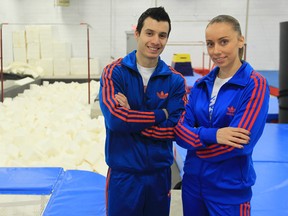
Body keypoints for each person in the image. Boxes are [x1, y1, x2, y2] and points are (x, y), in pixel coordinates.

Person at [174, 14, 270, 216]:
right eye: (210, 44)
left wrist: (196, 145)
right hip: (193, 187)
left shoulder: (254, 84)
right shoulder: (200, 85)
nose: (216, 51)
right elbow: (180, 132)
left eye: (223, 42)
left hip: (229, 191)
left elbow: (240, 144)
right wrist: (213, 135)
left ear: (240, 40)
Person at [99, 6, 187, 216]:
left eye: (162, 35)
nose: (155, 41)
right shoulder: (115, 72)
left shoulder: (175, 80)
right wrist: (160, 115)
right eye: (149, 33)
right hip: (124, 176)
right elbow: (116, 121)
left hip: (159, 176)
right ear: (137, 33)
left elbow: (176, 129)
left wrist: (132, 119)